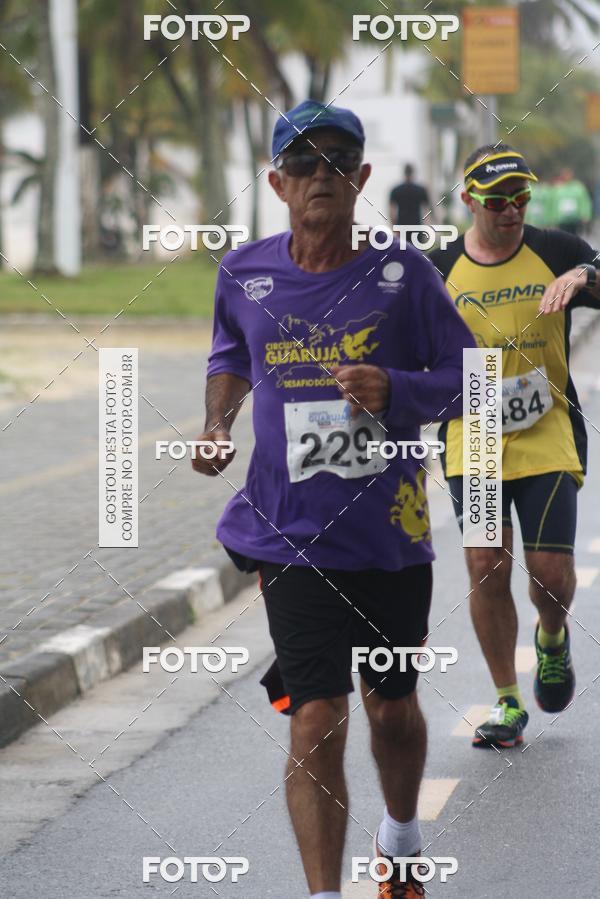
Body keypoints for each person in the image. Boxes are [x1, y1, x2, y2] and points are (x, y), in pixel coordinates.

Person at [192, 99, 475, 898]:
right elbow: (229, 355)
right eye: (303, 162)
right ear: (277, 182)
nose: (321, 174)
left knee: (391, 708)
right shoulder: (244, 273)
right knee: (315, 716)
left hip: (389, 537)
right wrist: (216, 423)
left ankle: (401, 837)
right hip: (289, 533)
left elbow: (471, 379)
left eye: (338, 161)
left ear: (362, 176)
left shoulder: (403, 275)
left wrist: (396, 389)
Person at [430, 144, 600, 750]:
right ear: (470, 200)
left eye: (521, 197)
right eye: (499, 200)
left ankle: (552, 635)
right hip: (473, 428)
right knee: (485, 564)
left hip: (546, 424)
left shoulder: (556, 250)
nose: (512, 210)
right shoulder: (440, 265)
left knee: (550, 573)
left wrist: (586, 276)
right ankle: (507, 702)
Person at [389, 164, 431, 243]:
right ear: (413, 173)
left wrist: (394, 228)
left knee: (403, 250)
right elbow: (426, 212)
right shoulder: (421, 190)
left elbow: (392, 212)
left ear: (404, 173)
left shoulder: (396, 190)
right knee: (417, 250)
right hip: (416, 227)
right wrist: (427, 228)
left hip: (402, 228)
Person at [551, 167, 593, 236]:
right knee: (563, 237)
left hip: (575, 220)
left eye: (568, 174)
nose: (567, 176)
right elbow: (553, 204)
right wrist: (553, 219)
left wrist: (585, 214)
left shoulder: (578, 187)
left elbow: (584, 201)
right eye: (565, 174)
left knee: (575, 237)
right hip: (562, 220)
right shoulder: (558, 188)